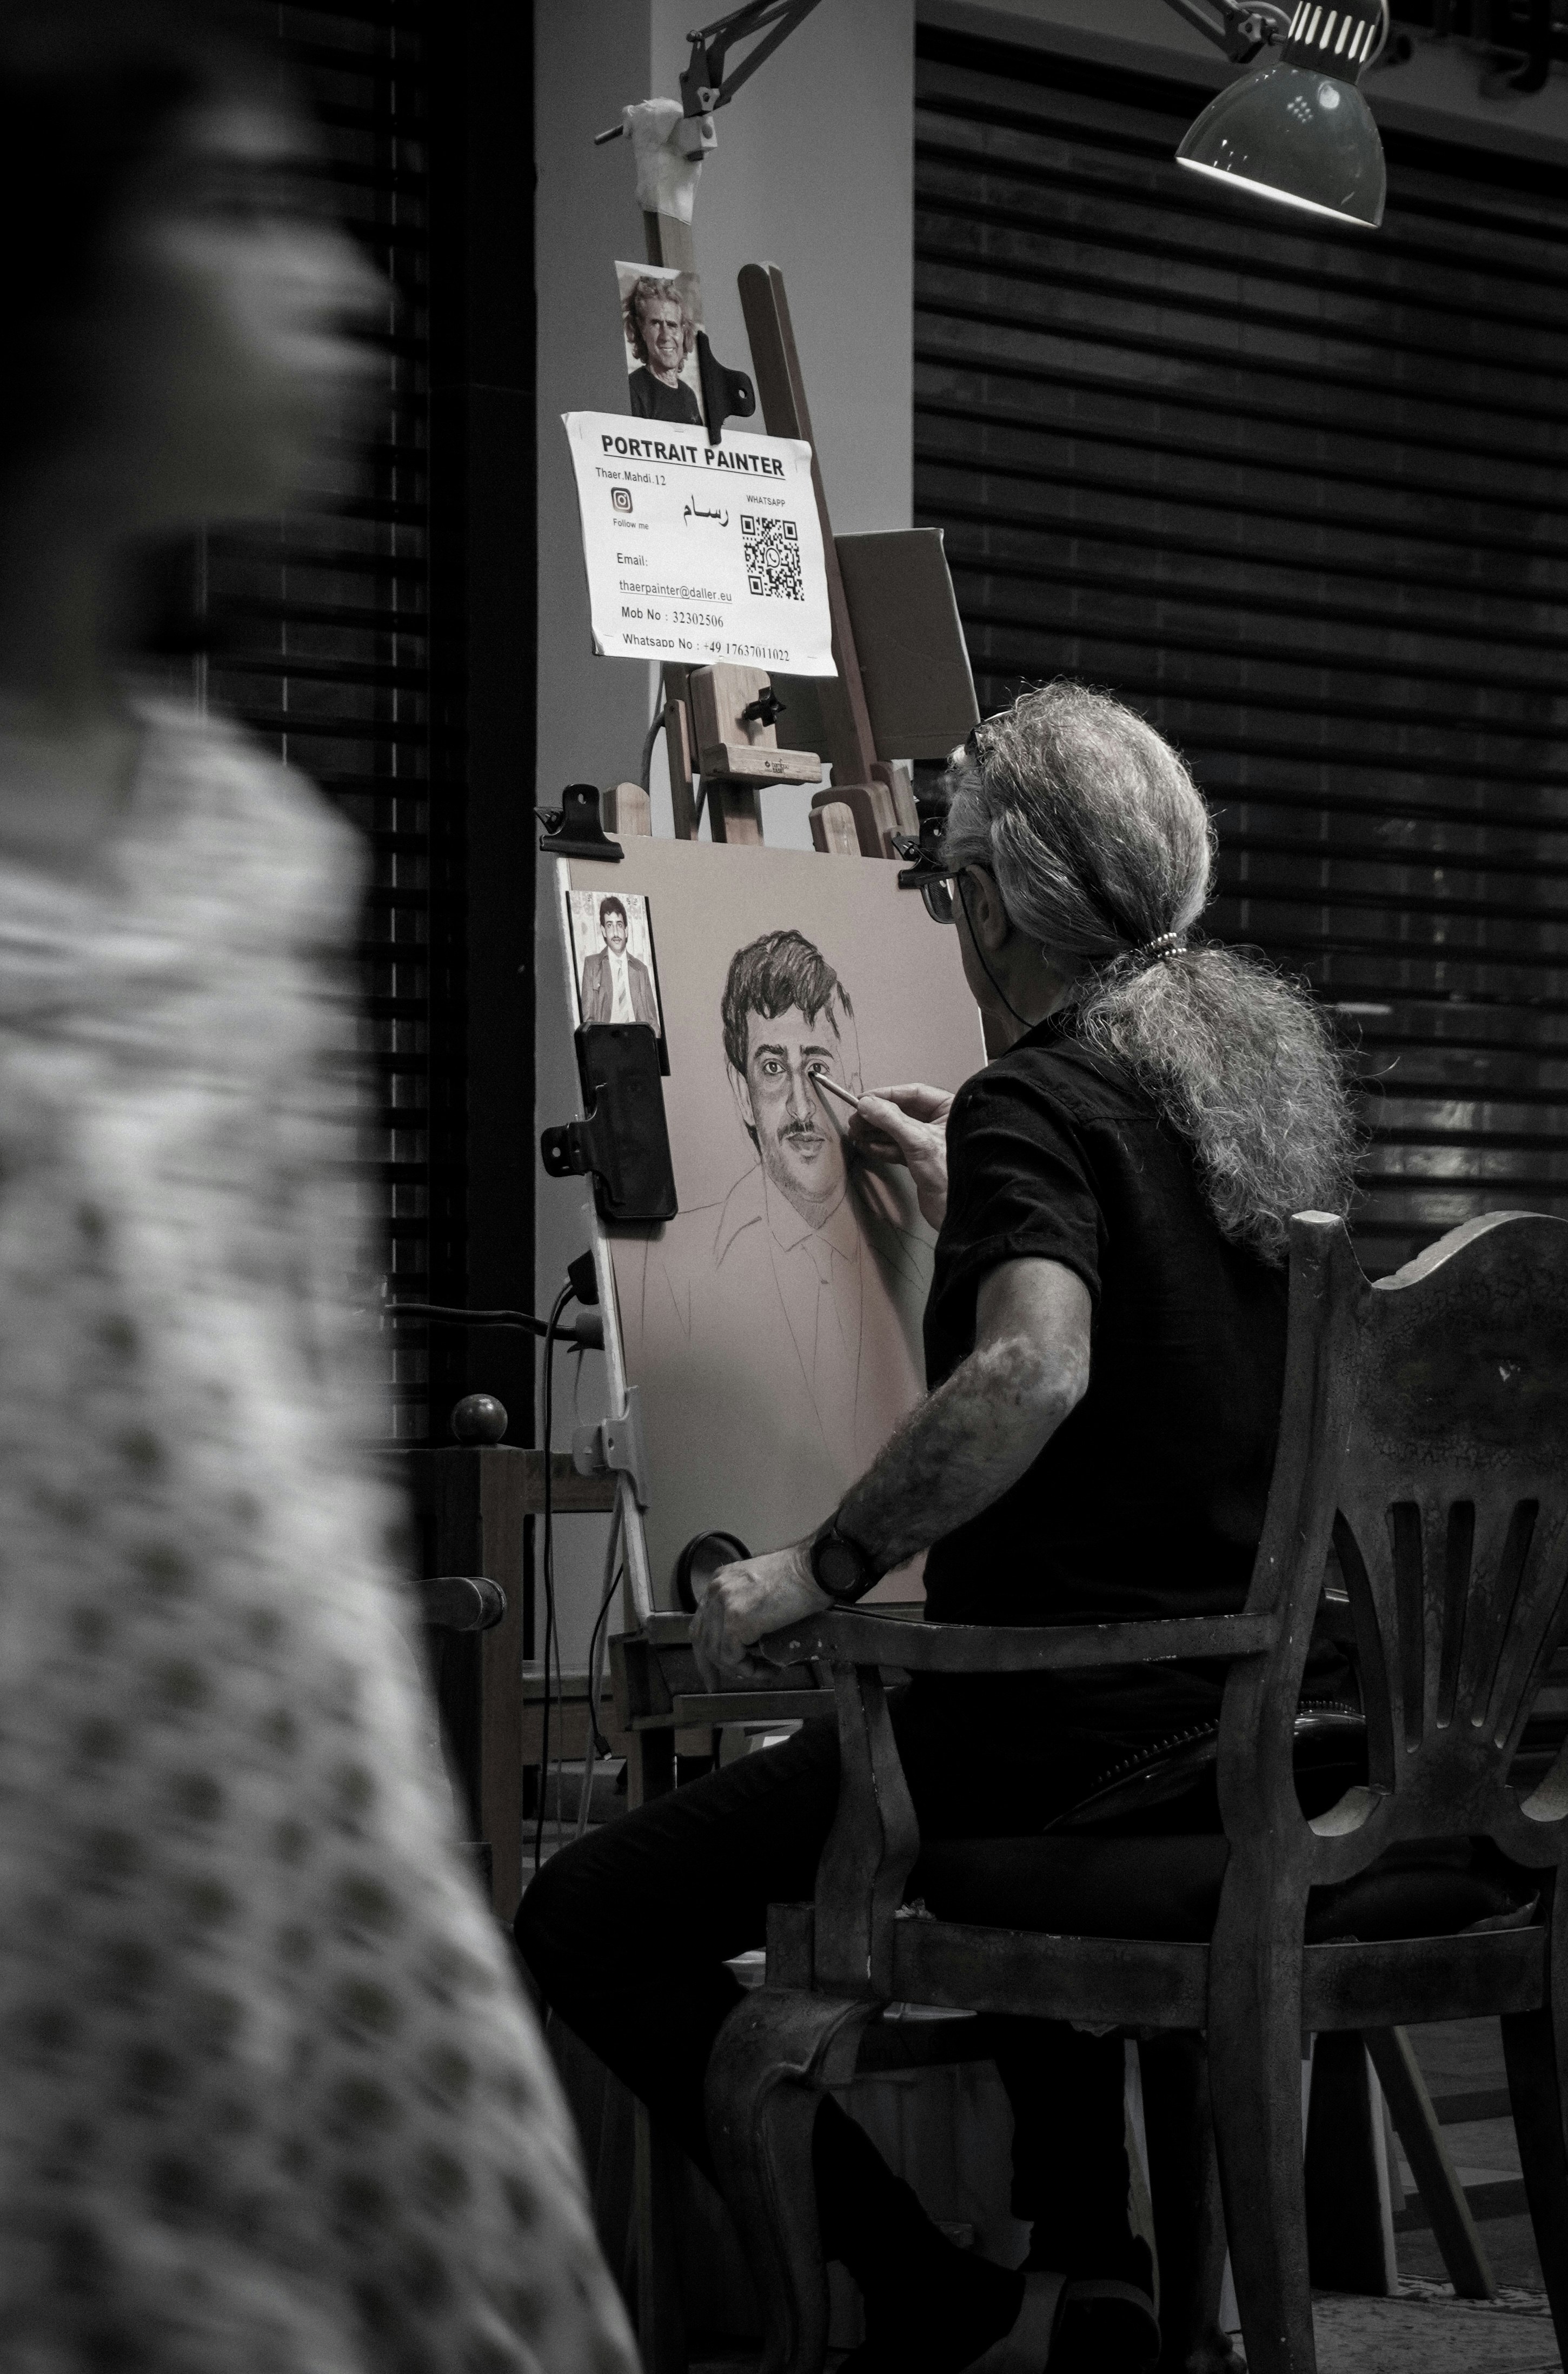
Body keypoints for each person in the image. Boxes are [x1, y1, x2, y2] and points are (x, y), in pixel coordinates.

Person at [0, 0, 636, 2374]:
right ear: (31, 288)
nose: (339, 284)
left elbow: (308, 1508)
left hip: (255, 1865)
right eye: (232, 204)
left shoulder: (252, 865)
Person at [517, 682, 1358, 2374]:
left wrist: (814, 1562)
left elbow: (1037, 1366)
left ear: (988, 904)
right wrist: (969, 1197)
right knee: (972, 1691)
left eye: (944, 878)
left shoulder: (1033, 1102)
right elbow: (1131, 1405)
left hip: (1074, 1748)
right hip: (1279, 1739)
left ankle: (937, 2302)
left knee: (584, 1912)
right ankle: (1092, 2263)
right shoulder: (1246, 1103)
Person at [640, 930, 929, 1502]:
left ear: (852, 1081)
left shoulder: (925, 1263)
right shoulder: (678, 1275)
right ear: (741, 1091)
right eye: (772, 1068)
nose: (799, 1107)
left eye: (816, 1069)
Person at [624, 275, 703, 426]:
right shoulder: (634, 391)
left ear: (683, 332)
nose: (666, 336)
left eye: (672, 325)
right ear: (642, 329)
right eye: (656, 324)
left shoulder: (688, 395)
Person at [579, 894, 659, 1032]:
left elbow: (653, 1022)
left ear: (626, 931)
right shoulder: (592, 965)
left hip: (638, 1039)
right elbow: (588, 1021)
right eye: (610, 925)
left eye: (620, 925)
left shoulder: (641, 969)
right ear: (603, 930)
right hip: (607, 1040)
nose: (616, 933)